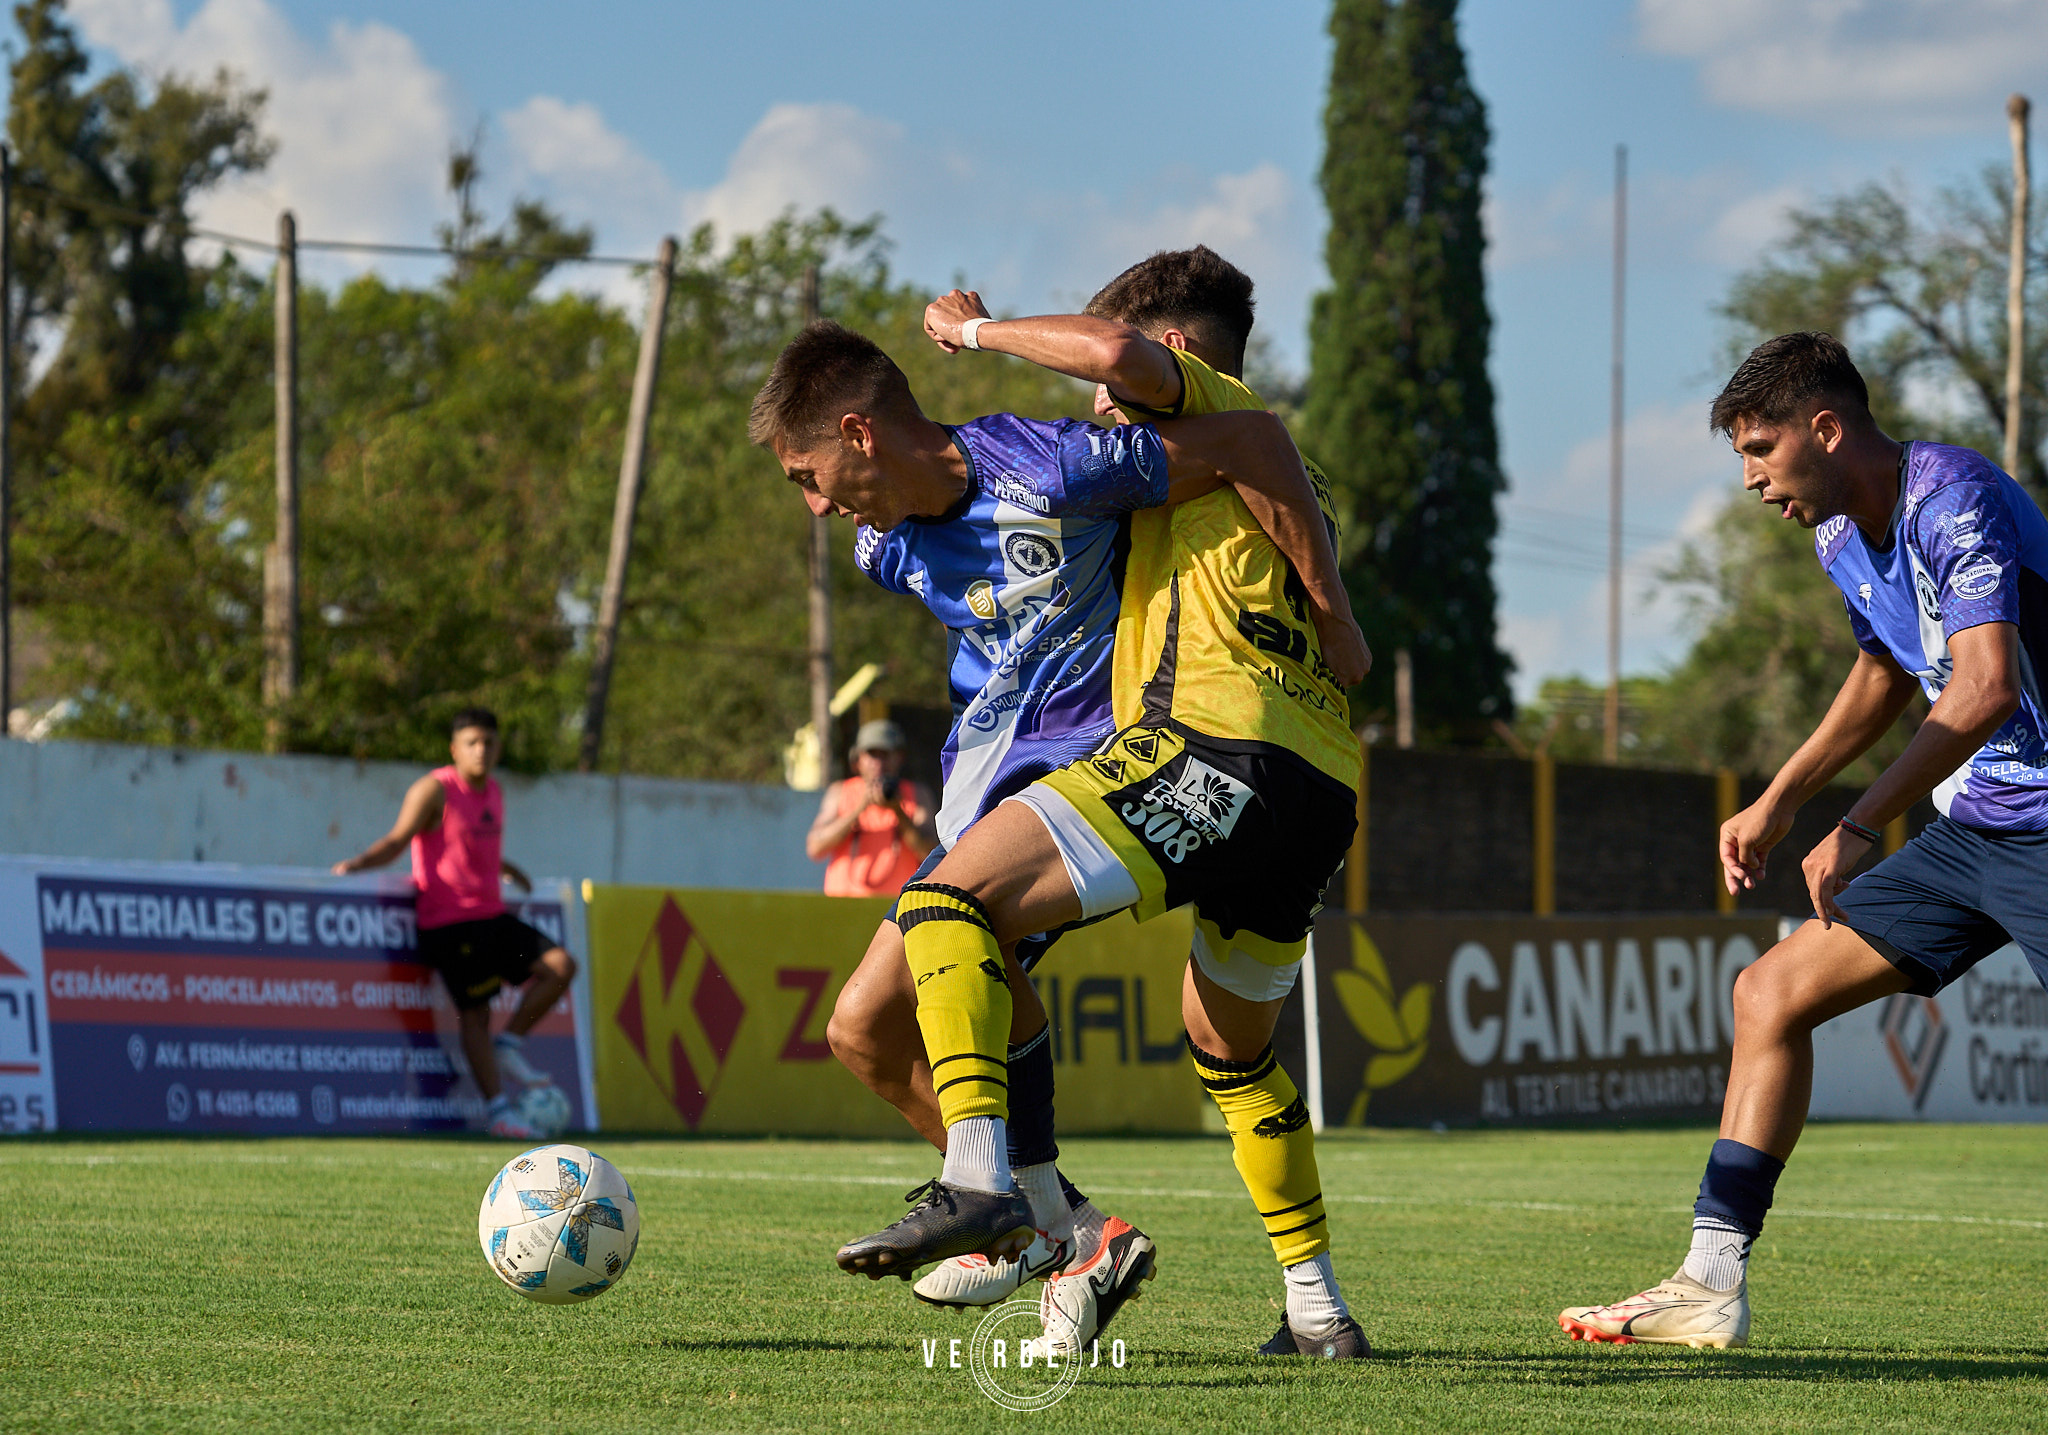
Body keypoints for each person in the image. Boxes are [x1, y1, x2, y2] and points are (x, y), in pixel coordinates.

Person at [753, 278, 1372, 1359]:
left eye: (812, 477)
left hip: (1199, 745)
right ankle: (1301, 1304)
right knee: (1213, 1051)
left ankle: (1002, 1200)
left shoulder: (1114, 449)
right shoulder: (896, 539)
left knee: (951, 906)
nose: (1093, 394)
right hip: (1314, 777)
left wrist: (974, 332)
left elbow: (1194, 407)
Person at [1558, 332, 2048, 1349]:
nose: (1747, 479)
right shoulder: (1837, 536)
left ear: (1823, 429)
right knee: (1767, 992)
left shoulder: (1952, 494)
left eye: (1757, 447)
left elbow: (1984, 685)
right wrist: (1781, 794)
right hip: (1977, 832)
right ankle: (1706, 1282)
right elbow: (1883, 667)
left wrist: (1860, 821)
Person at [333, 707, 579, 1141]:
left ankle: (510, 1046)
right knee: (477, 1013)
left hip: (492, 915)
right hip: (449, 922)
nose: (481, 750)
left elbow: (467, 846)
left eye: (488, 742)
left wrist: (509, 868)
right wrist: (356, 864)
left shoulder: (496, 791)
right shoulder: (435, 789)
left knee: (561, 966)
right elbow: (397, 839)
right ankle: (499, 1111)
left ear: (499, 746)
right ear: (455, 748)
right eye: (472, 742)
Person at [807, 719, 937, 897]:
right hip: (843, 905)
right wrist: (859, 808)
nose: (878, 762)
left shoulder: (917, 795)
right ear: (858, 759)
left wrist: (898, 811)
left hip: (896, 910)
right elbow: (815, 847)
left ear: (899, 757)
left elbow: (929, 853)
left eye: (885, 754)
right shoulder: (840, 792)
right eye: (872, 754)